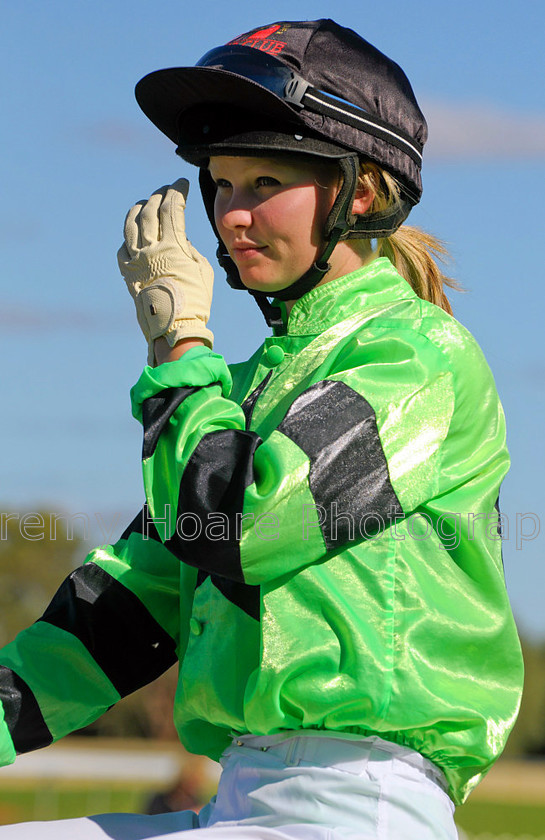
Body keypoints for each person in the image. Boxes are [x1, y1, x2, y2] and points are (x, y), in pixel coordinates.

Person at [0, 18, 523, 840]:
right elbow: (128, 608)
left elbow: (241, 527)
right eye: (220, 183)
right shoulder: (242, 389)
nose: (230, 217)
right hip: (242, 796)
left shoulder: (420, 358)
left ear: (359, 192)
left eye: (263, 182)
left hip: (360, 806)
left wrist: (178, 343)